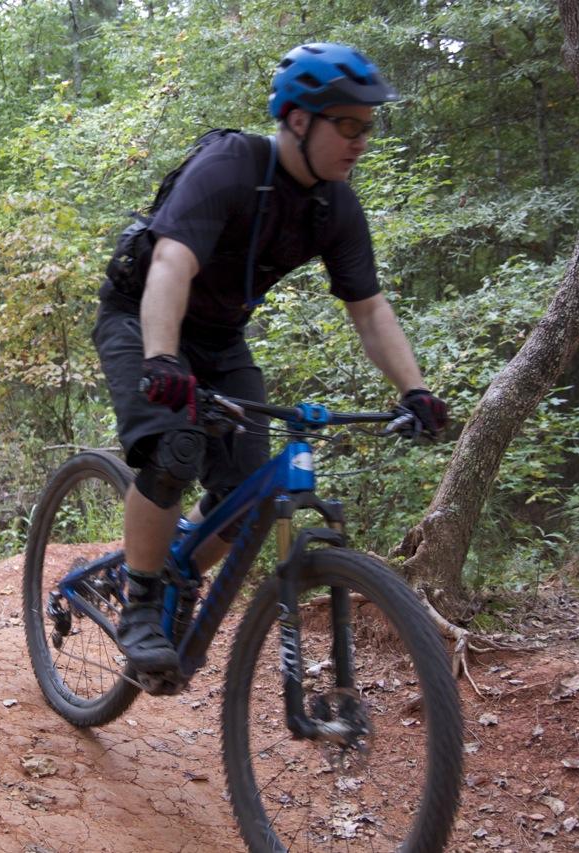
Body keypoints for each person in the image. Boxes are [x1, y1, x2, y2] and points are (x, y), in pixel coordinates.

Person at [91, 42, 449, 675]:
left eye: (367, 127)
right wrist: (164, 359)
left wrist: (414, 391)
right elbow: (172, 264)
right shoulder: (231, 166)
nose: (360, 140)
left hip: (221, 339)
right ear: (300, 119)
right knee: (175, 449)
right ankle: (141, 601)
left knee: (248, 491)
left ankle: (175, 569)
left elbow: (368, 308)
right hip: (141, 314)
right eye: (348, 124)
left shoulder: (334, 205)